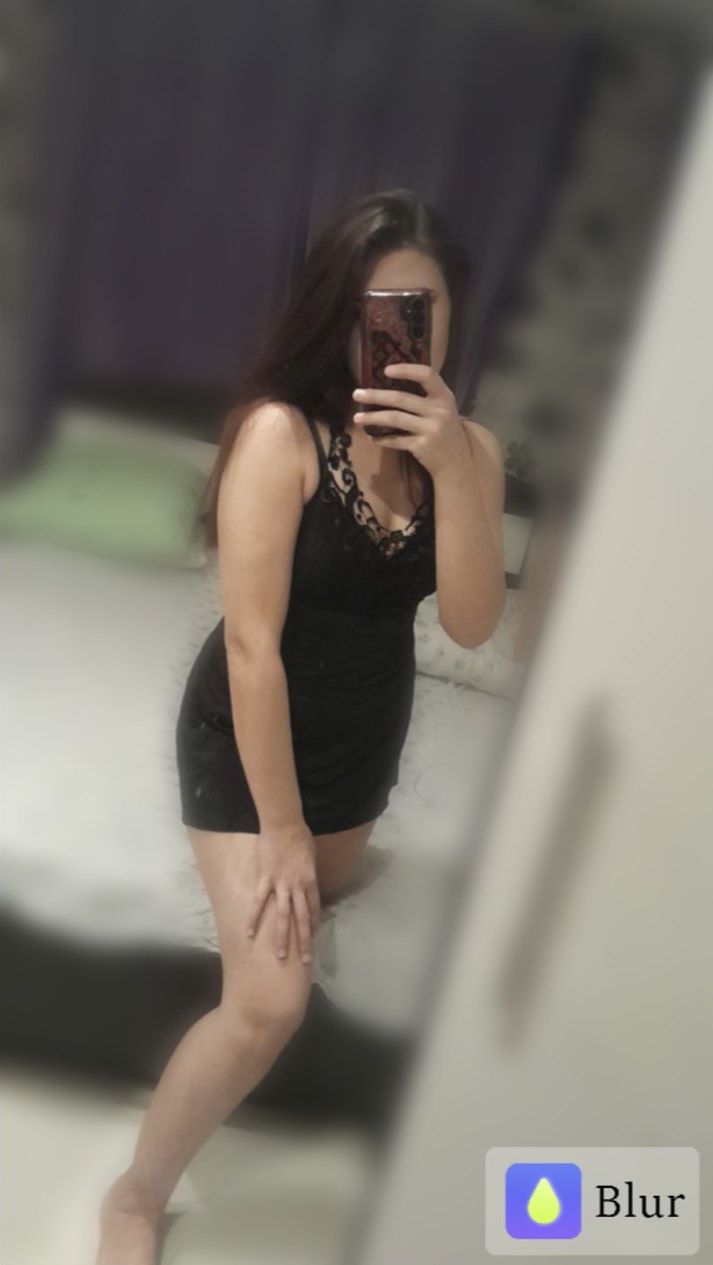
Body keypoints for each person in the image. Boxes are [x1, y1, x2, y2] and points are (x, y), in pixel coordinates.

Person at [95, 187, 506, 1265]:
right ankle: (135, 1194)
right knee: (271, 999)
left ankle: (305, 863)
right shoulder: (280, 435)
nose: (401, 331)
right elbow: (249, 646)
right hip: (245, 727)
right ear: (339, 311)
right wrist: (278, 827)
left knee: (317, 905)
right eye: (382, 308)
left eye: (422, 309)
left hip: (365, 735)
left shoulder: (467, 451)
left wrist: (454, 464)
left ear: (451, 319)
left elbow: (471, 623)